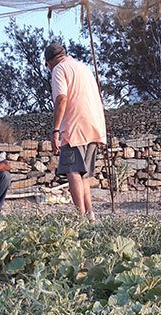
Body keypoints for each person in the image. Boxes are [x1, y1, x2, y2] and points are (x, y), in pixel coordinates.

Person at [44, 41, 106, 221]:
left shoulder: (59, 70)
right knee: (83, 174)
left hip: (75, 127)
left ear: (50, 62)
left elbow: (62, 99)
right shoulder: (83, 68)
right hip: (94, 125)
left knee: (72, 171)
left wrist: (56, 130)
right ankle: (90, 216)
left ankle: (79, 217)